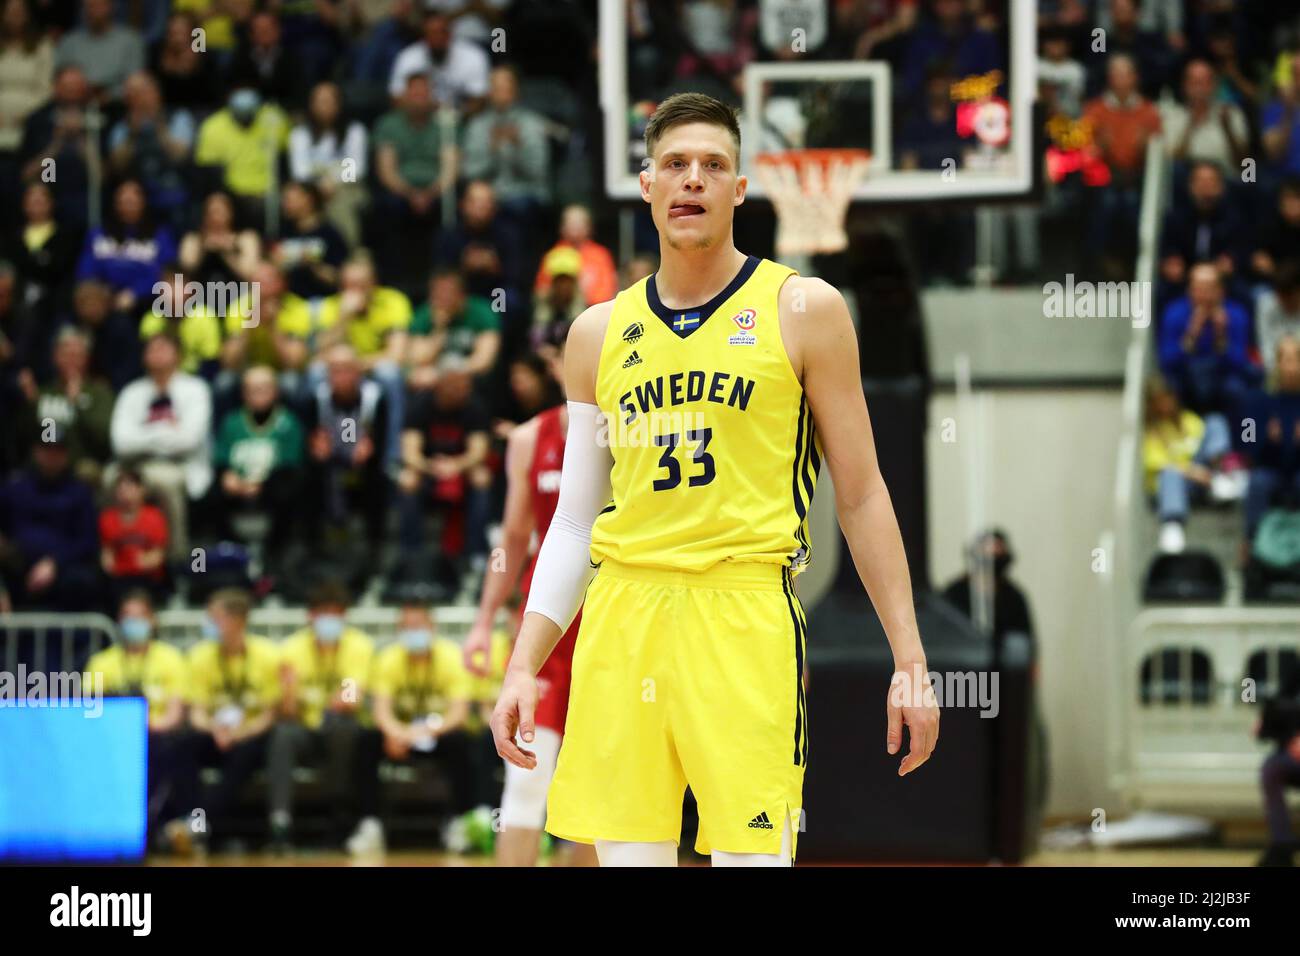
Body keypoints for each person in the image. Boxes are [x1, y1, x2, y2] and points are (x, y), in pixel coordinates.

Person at [489, 93, 938, 867]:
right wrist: (523, 662)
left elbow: (863, 494)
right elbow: (574, 519)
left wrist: (911, 659)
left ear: (739, 188)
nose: (692, 178)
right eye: (674, 164)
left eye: (712, 165)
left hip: (744, 614)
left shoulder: (804, 309)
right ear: (647, 185)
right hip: (623, 616)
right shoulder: (597, 333)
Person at [463, 335, 595, 867]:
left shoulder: (632, 427)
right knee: (526, 777)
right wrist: (482, 620)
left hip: (610, 615)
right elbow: (514, 539)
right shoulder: (528, 438)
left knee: (598, 783)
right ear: (554, 366)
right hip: (548, 619)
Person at [354, 601, 476, 855]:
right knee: (366, 740)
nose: (413, 632)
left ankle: (459, 822)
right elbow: (381, 710)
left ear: (432, 627)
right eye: (406, 626)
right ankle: (370, 824)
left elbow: (459, 713)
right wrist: (396, 733)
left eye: (418, 625)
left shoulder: (452, 656)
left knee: (461, 741)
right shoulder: (388, 658)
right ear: (399, 630)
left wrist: (423, 732)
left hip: (436, 733)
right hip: (400, 735)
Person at [270, 579, 375, 852]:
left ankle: (339, 815)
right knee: (282, 734)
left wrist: (329, 701)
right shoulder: (291, 647)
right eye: (323, 613)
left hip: (337, 725)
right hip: (304, 728)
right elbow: (287, 710)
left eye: (335, 613)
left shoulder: (358, 645)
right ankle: (280, 820)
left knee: (343, 728)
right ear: (310, 616)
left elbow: (351, 698)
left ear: (344, 616)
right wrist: (290, 696)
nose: (329, 620)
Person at [84, 590, 193, 849]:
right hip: (112, 738)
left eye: (140, 616)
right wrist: (124, 728)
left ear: (152, 620)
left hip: (155, 735)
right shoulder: (102, 662)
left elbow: (174, 714)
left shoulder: (170, 658)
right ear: (119, 621)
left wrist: (142, 726)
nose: (134, 623)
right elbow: (88, 709)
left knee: (173, 749)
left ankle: (153, 827)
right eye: (128, 616)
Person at [184, 588, 281, 848]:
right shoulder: (200, 655)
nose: (209, 623)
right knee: (183, 744)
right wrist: (216, 729)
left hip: (250, 735)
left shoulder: (268, 655)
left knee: (246, 752)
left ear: (237, 621)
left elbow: (269, 715)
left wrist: (239, 733)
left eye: (215, 618)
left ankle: (200, 824)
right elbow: (196, 713)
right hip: (215, 732)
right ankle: (188, 816)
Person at [108, 331, 213, 560]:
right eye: (152, 349)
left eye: (163, 348)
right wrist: (166, 430)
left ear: (178, 355)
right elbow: (121, 443)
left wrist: (143, 435)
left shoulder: (196, 389)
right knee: (108, 479)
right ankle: (116, 557)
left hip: (179, 465)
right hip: (134, 463)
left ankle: (177, 559)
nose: (156, 354)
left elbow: (189, 440)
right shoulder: (132, 392)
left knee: (166, 482)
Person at [0, 431, 100, 611]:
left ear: (66, 455)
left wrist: (54, 563)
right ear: (36, 451)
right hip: (17, 569)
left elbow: (87, 541)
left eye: (58, 451)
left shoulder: (79, 493)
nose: (52, 456)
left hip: (64, 571)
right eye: (47, 450)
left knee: (84, 581)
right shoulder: (14, 488)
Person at [99, 466, 169, 604]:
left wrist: (133, 563)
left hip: (147, 579)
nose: (125, 492)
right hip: (119, 580)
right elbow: (107, 557)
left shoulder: (155, 517)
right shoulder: (107, 518)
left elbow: (157, 556)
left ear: (141, 490)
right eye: (121, 488)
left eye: (130, 487)